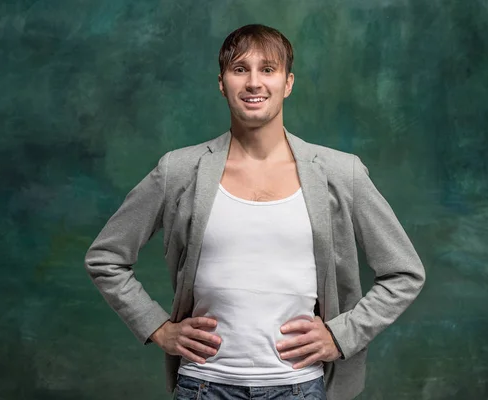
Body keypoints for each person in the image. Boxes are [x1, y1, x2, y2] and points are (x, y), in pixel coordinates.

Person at [84, 24, 426, 400]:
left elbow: (404, 273)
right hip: (202, 385)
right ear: (221, 82)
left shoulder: (340, 173)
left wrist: (341, 335)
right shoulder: (179, 171)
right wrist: (158, 327)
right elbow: (106, 258)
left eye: (268, 69)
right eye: (239, 69)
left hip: (299, 387)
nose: (253, 83)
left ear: (288, 82)